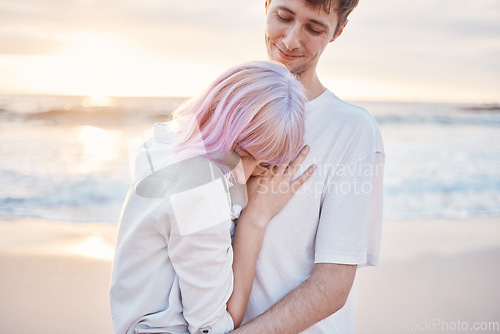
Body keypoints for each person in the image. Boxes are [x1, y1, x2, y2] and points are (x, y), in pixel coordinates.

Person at [109, 61, 316, 334]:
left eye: (264, 165)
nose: (246, 175)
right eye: (242, 152)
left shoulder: (164, 140)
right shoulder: (199, 189)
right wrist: (256, 217)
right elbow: (213, 327)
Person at [233, 1, 385, 333]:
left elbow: (332, 285)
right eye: (283, 17)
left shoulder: (352, 129)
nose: (289, 41)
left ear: (338, 31)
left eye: (313, 29)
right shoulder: (229, 108)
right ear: (267, 5)